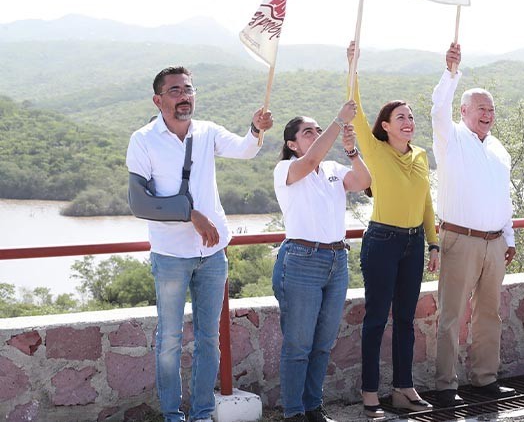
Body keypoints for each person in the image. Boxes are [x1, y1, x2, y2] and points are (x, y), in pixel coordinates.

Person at [125, 66, 273, 422]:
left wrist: (256, 129)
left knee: (210, 340)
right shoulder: (143, 139)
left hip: (212, 254)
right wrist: (191, 214)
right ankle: (173, 415)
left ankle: (203, 413)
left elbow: (244, 150)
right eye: (175, 90)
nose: (184, 95)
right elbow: (139, 204)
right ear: (158, 99)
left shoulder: (207, 132)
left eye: (188, 89)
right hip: (172, 254)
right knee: (170, 340)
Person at [347, 43, 438, 417]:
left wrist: (434, 244)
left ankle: (404, 388)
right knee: (375, 317)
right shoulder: (375, 148)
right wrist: (352, 66)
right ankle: (370, 393)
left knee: (405, 318)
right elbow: (355, 111)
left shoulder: (420, 155)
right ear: (386, 126)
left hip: (415, 243)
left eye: (411, 116)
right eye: (400, 117)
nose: (408, 121)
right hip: (382, 241)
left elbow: (426, 201)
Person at [271, 102, 371, 422]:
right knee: (298, 345)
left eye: (317, 129)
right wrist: (338, 120)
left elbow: (365, 182)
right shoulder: (286, 169)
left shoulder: (332, 170)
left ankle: (313, 407)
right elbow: (312, 156)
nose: (314, 134)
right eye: (307, 131)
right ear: (291, 144)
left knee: (323, 344)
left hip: (336, 259)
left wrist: (352, 151)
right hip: (301, 260)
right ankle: (294, 412)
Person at [431, 43, 517, 406]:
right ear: (464, 110)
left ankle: (484, 379)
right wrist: (451, 73)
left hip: (495, 243)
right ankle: (444, 385)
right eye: (481, 108)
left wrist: (509, 237)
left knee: (488, 313)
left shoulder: (499, 149)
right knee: (451, 314)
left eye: (492, 109)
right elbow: (437, 108)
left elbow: (504, 197)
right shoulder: (449, 138)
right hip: (459, 240)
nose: (488, 114)